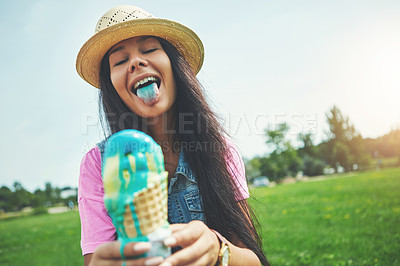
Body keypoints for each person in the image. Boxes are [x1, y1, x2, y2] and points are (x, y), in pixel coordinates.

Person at [76, 5, 269, 266]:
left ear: (173, 65)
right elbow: (94, 262)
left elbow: (253, 261)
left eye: (149, 49)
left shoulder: (219, 150)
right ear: (112, 87)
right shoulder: (98, 163)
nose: (136, 62)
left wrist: (218, 249)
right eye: (120, 61)